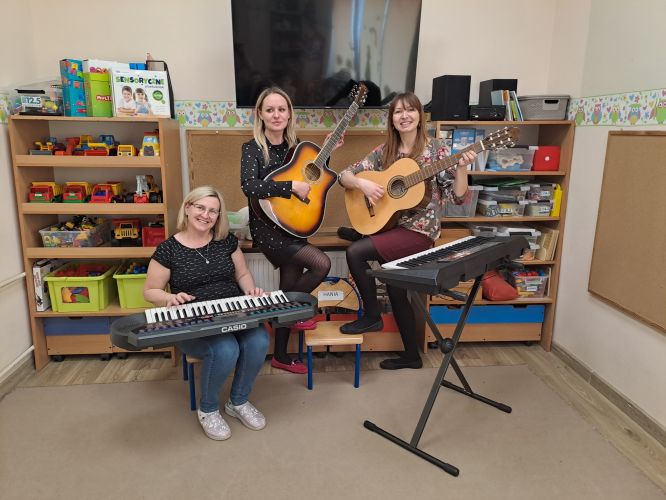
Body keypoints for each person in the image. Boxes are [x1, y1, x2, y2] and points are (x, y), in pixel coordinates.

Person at [338, 92, 476, 370]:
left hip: (419, 232)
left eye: (410, 110)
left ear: (419, 116)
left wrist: (462, 169)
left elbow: (459, 197)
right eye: (398, 112)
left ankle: (372, 316)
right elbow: (344, 175)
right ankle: (412, 356)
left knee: (356, 252)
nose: (404, 116)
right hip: (391, 227)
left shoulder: (436, 150)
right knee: (395, 288)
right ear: (392, 119)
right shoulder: (385, 151)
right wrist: (363, 184)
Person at [143, 186, 269, 441]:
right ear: (187, 208)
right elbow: (150, 291)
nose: (206, 215)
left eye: (213, 211)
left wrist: (250, 291)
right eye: (200, 207)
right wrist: (170, 298)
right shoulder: (168, 249)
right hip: (194, 322)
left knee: (259, 340)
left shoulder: (226, 241)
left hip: (234, 313)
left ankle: (238, 401)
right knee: (225, 349)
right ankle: (208, 409)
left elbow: (242, 274)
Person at [240, 86, 341, 374]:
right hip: (268, 229)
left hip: (295, 224)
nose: (276, 115)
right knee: (321, 264)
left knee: (289, 284)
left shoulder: (297, 147)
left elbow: (313, 177)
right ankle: (287, 312)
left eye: (281, 109)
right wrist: (289, 187)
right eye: (270, 109)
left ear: (289, 114)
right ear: (260, 114)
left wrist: (328, 153)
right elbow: (249, 186)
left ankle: (281, 355)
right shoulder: (252, 148)